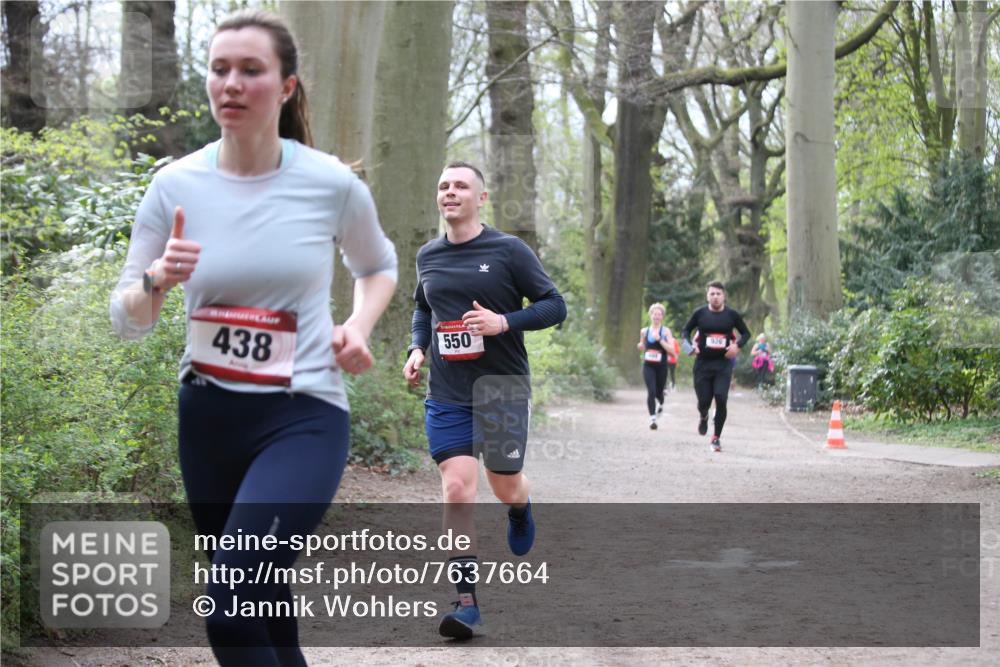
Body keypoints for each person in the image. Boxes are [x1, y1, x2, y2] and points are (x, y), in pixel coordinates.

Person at [110, 10, 397, 665]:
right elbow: (127, 318)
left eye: (250, 70)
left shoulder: (329, 183)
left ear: (287, 85)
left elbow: (377, 265)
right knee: (261, 601)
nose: (231, 84)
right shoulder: (174, 184)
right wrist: (157, 279)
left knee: (231, 604)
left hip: (304, 415)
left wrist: (356, 325)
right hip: (207, 416)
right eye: (219, 70)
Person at [403, 161, 566, 639]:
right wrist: (418, 347)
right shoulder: (428, 255)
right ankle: (466, 603)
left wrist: (504, 323)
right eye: (443, 186)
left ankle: (521, 505)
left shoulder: (508, 251)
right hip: (448, 392)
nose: (449, 192)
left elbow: (554, 305)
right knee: (457, 488)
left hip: (502, 389)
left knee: (503, 483)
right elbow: (423, 306)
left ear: (481, 198)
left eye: (460, 186)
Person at [680, 281, 751, 453]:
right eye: (712, 294)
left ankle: (716, 437)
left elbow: (746, 333)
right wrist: (690, 348)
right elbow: (685, 332)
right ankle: (704, 416)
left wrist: (737, 346)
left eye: (718, 294)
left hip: (723, 364)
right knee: (703, 401)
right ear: (707, 296)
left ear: (724, 296)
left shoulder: (732, 315)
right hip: (703, 364)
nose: (715, 297)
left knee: (721, 398)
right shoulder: (700, 313)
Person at [637, 303, 675, 430]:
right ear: (650, 315)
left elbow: (672, 351)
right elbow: (642, 345)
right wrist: (640, 346)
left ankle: (661, 404)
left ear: (662, 317)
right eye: (654, 314)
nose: (656, 316)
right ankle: (652, 418)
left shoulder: (666, 331)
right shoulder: (644, 331)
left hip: (661, 367)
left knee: (659, 392)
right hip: (648, 366)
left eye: (659, 314)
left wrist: (660, 339)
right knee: (651, 391)